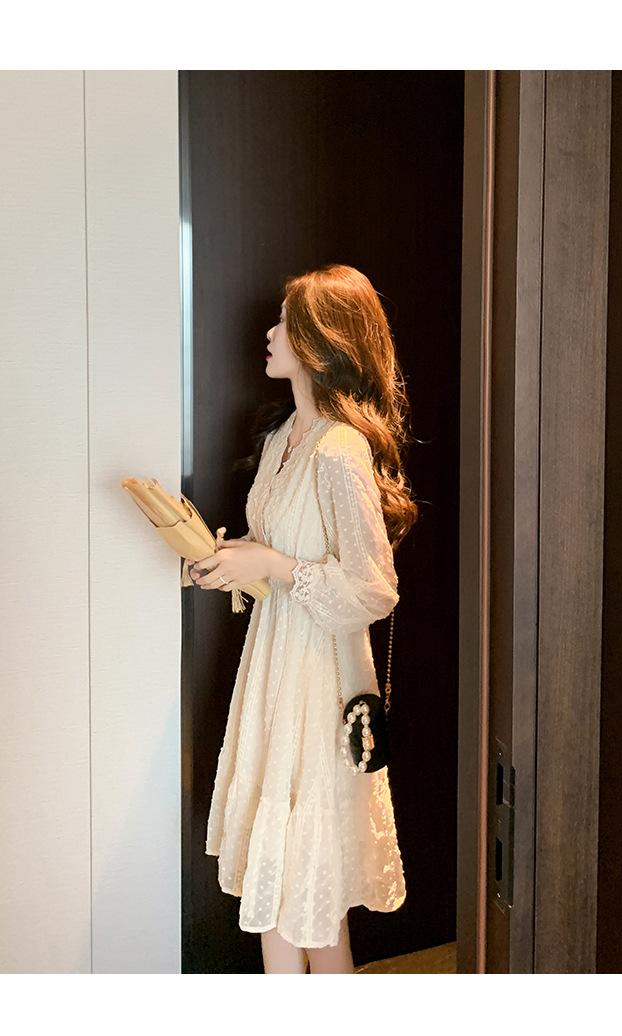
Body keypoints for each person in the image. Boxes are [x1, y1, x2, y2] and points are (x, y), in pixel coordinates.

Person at [187, 263, 418, 973]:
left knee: (306, 892)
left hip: (320, 680)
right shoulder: (284, 434)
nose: (270, 333)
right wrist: (224, 562)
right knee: (287, 889)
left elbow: (375, 589)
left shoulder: (341, 449)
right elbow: (277, 556)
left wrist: (274, 565)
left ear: (322, 341)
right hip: (275, 667)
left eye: (285, 323)